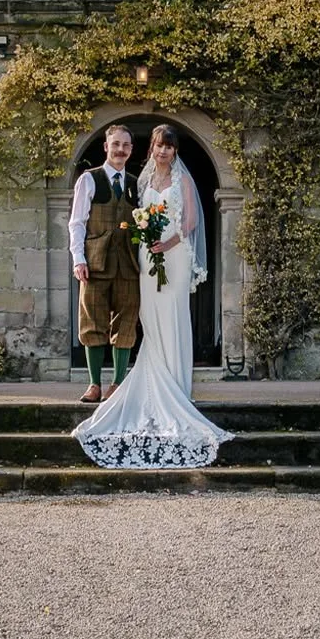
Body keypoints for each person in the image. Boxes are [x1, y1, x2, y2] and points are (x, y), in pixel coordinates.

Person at [72, 124, 233, 468]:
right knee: (136, 317)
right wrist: (81, 257)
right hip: (142, 259)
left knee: (166, 314)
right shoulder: (134, 183)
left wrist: (167, 242)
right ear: (151, 149)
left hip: (171, 256)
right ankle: (106, 382)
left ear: (175, 152)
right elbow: (99, 222)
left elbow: (189, 221)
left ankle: (173, 384)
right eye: (159, 146)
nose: (163, 152)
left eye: (169, 148)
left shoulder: (177, 181)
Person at [68, 123, 140, 404]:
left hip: (129, 264)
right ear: (106, 146)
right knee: (92, 321)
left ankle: (118, 384)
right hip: (95, 262)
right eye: (116, 144)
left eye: (125, 145)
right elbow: (77, 222)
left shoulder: (136, 184)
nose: (120, 150)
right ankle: (94, 384)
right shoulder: (89, 179)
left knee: (126, 323)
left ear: (131, 149)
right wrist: (78, 259)